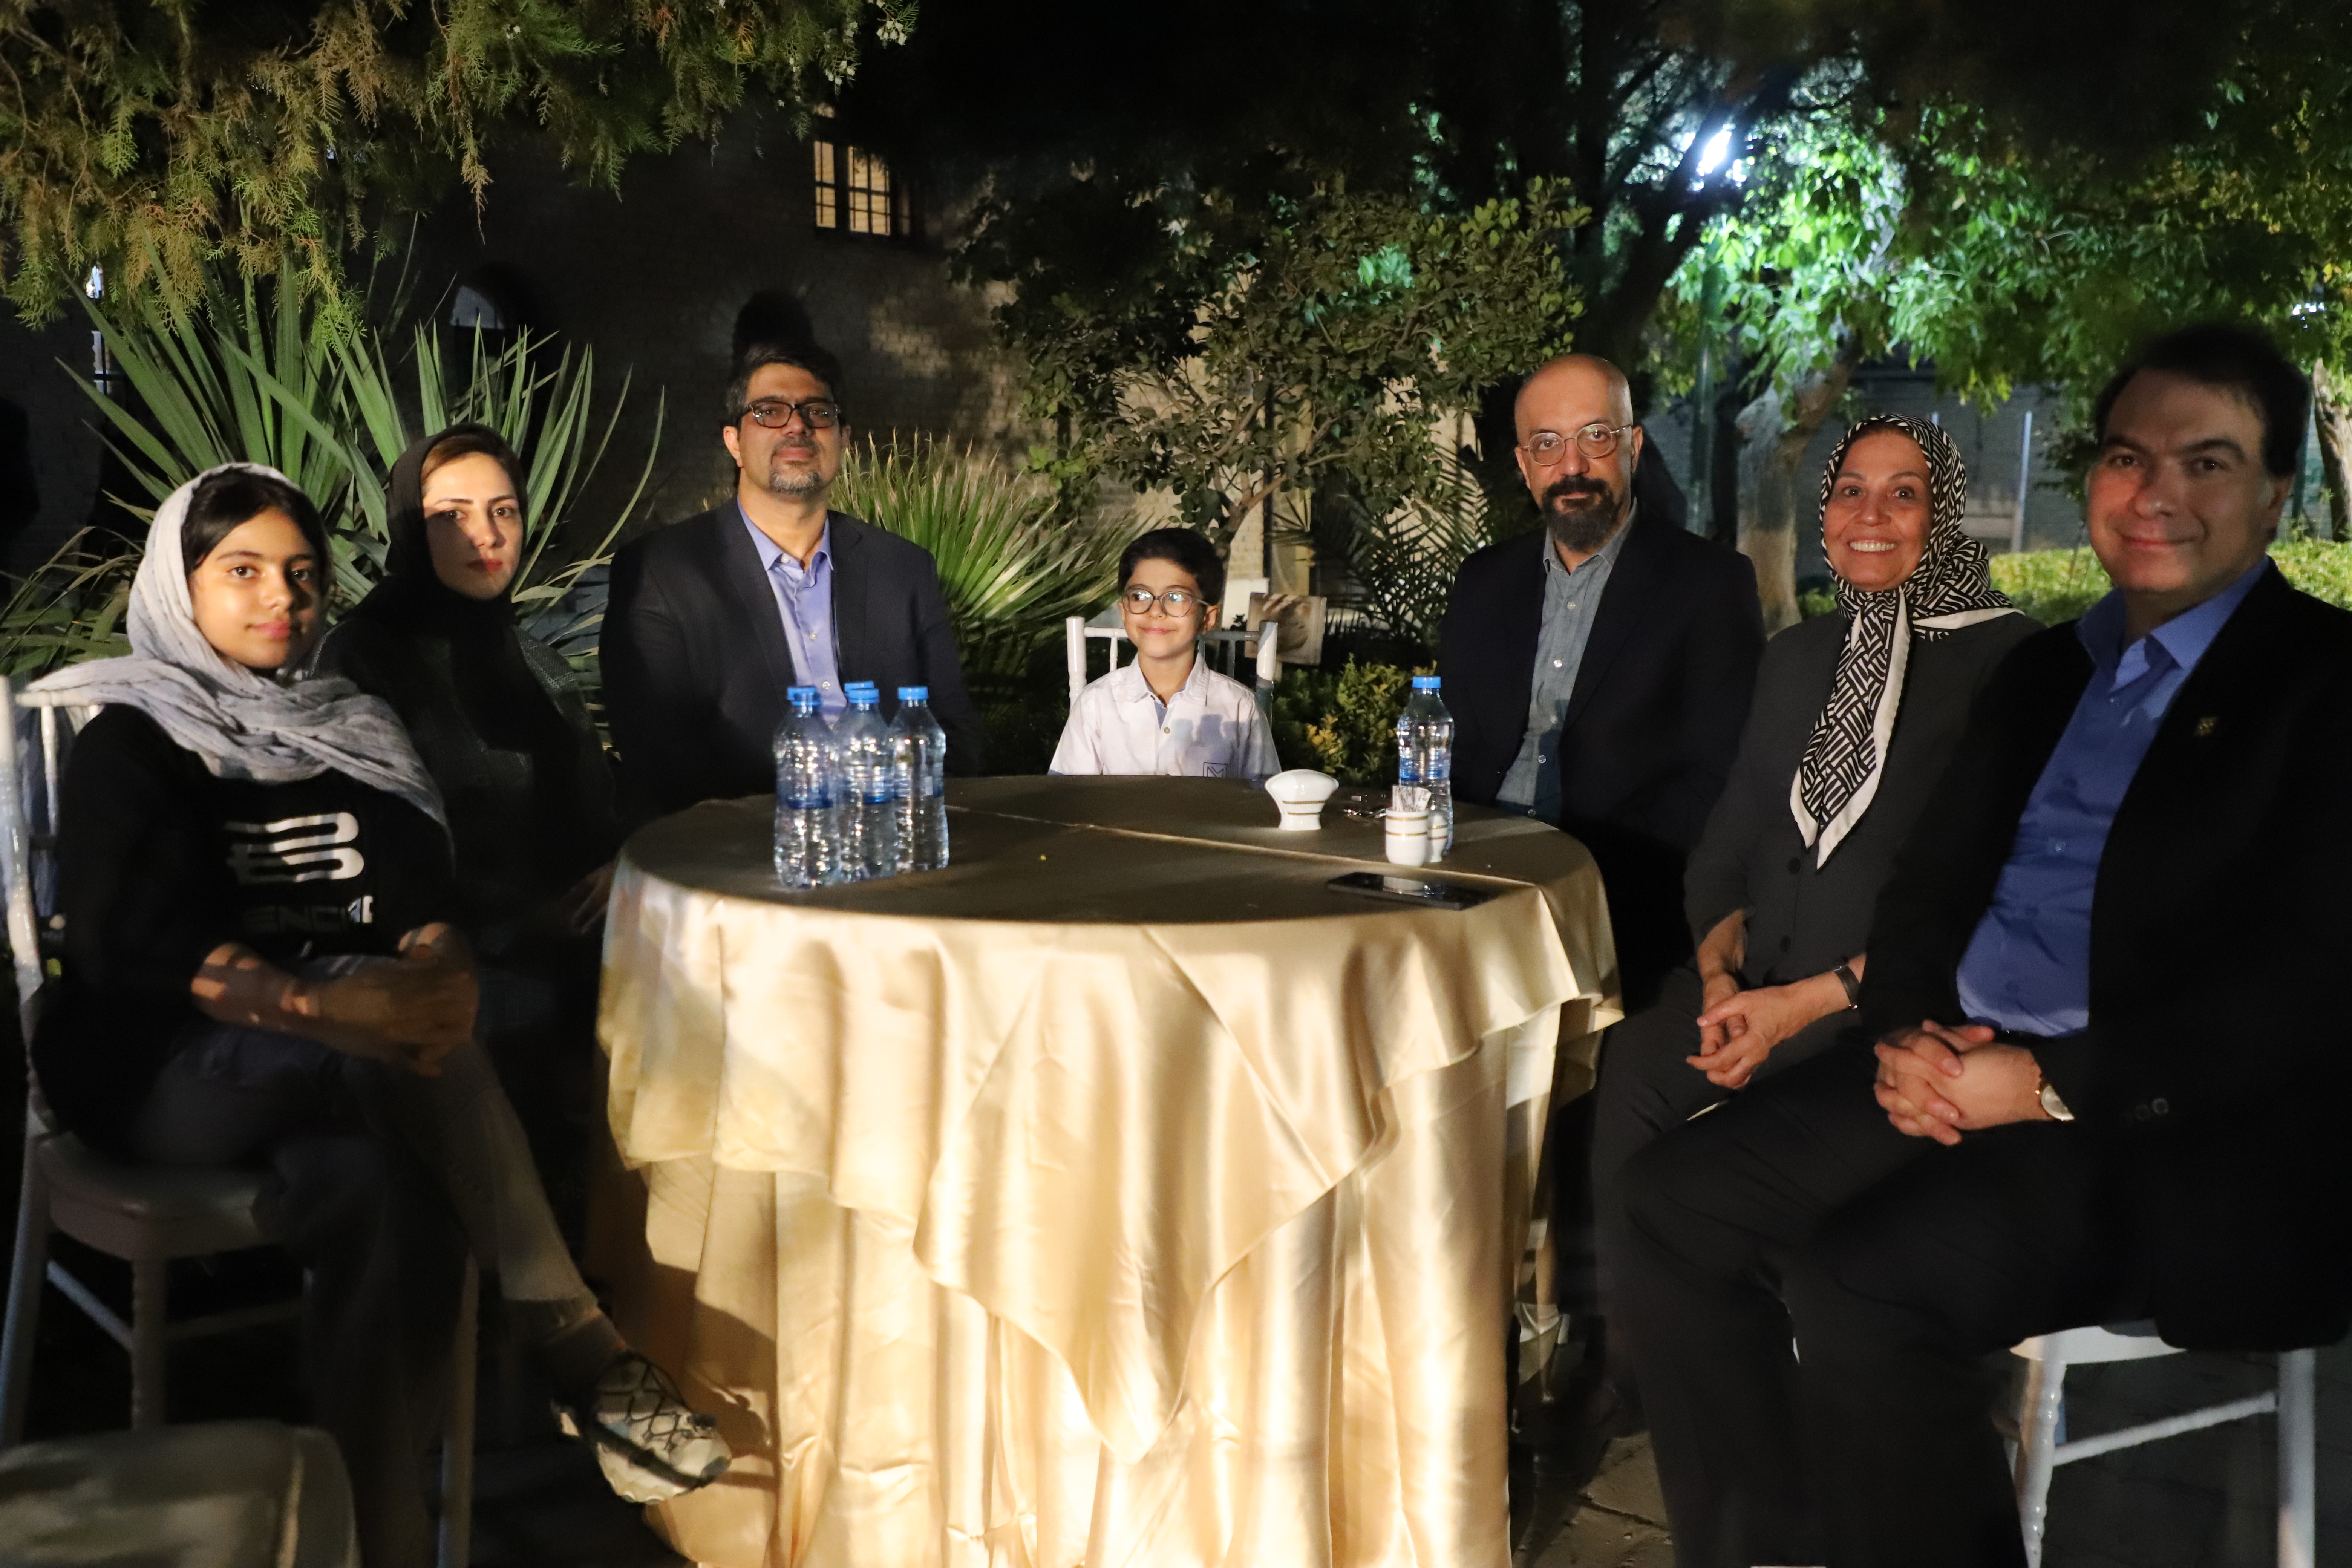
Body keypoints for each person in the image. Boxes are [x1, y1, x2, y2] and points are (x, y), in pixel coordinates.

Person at [1615, 323, 2352, 1568]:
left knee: (1861, 1282)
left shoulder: (2325, 686)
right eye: (2128, 458)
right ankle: (1762, 1543)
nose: (2156, 493)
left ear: (2277, 492)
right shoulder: (2052, 673)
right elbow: (1926, 891)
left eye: (2207, 462)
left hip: (2166, 1126)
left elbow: (2305, 993)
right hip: (1955, 1062)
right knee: (1671, 1201)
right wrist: (1909, 1036)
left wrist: (2047, 1082)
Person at [29, 465, 729, 1568]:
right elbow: (132, 946)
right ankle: (578, 1352)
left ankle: (372, 1535)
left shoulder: (348, 724)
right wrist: (320, 1004)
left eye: (302, 574)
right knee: (388, 1056)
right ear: (180, 585)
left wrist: (440, 971)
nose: (282, 597)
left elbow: (419, 898)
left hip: (346, 1071)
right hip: (164, 1062)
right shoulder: (137, 736)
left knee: (391, 1201)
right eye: (243, 571)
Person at [1585, 413, 2038, 1425]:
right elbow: (1727, 848)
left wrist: (1804, 1004)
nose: (1869, 515)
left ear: (1944, 514)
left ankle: (1801, 1381)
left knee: (1732, 1170)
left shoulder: (2011, 665)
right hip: (1756, 988)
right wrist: (1718, 978)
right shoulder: (1798, 656)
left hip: (1894, 1012)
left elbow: (1996, 899)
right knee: (1635, 1065)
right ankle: (1639, 1368)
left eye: (1903, 493)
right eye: (1848, 491)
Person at [319, 425, 617, 1224]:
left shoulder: (534, 662)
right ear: (408, 526)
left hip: (574, 936)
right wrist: (517, 920)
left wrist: (615, 870)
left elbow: (595, 813)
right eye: (452, 515)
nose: (486, 535)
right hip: (442, 947)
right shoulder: (363, 660)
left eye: (504, 511)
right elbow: (367, 849)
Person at [1439, 353, 1766, 1013]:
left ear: (1633, 447)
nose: (1572, 466)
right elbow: (1450, 750)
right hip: (1470, 882)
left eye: (1595, 436)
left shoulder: (1709, 584)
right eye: (1547, 444)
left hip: (1614, 897)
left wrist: (1567, 870)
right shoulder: (1483, 583)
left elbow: (1715, 779)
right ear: (1525, 464)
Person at [602, 338, 983, 815]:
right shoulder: (662, 572)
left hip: (893, 830)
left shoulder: (902, 568)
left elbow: (955, 733)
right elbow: (656, 755)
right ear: (734, 442)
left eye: (818, 412)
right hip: (744, 838)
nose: (797, 425)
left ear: (844, 439)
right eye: (769, 412)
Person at [1050, 527, 1279, 779]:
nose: (1156, 611)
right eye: (1140, 595)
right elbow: (1067, 796)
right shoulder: (1096, 704)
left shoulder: (1239, 709)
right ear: (1124, 611)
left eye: (1176, 597)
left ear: (1208, 618)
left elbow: (1264, 798)